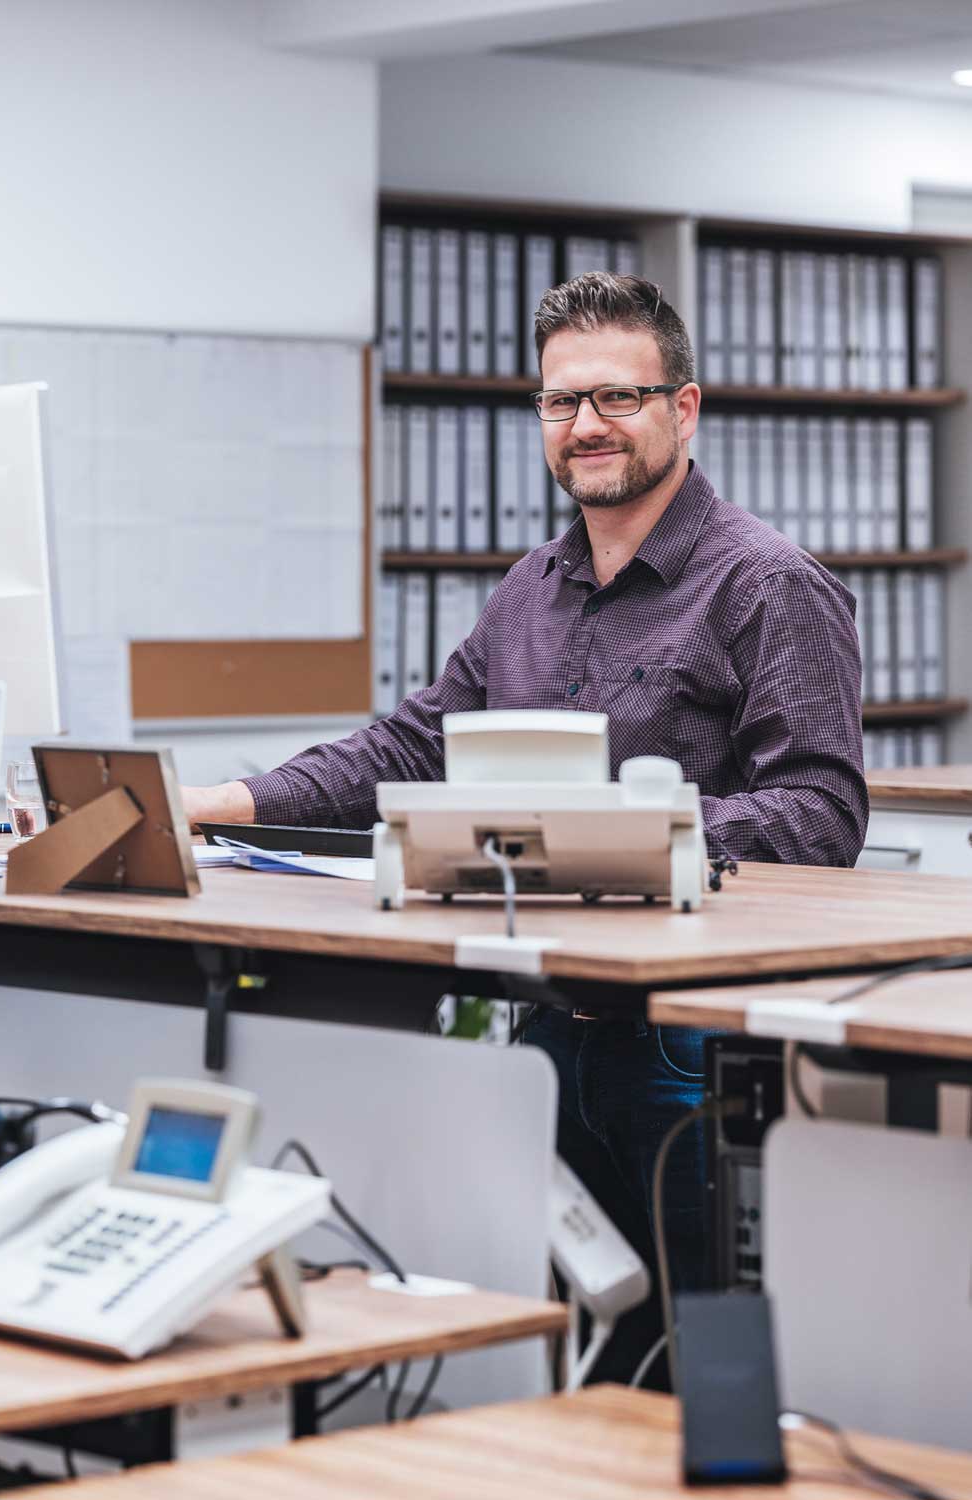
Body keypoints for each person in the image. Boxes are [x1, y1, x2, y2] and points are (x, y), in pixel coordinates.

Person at [182, 272, 867, 1380]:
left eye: (617, 398)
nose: (586, 426)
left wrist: (633, 832)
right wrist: (223, 801)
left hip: (686, 1041)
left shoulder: (767, 583)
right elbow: (412, 749)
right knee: (590, 1343)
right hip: (547, 1026)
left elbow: (823, 811)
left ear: (682, 409)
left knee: (708, 1355)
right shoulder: (530, 591)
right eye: (561, 403)